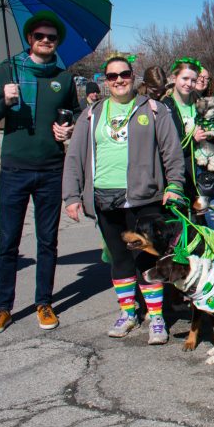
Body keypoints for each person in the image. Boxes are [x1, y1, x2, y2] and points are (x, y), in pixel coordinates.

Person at [62, 56, 186, 344]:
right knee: (119, 258)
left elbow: (172, 151)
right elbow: (75, 157)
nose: (119, 80)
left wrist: (175, 184)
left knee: (146, 258)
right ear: (106, 81)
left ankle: (156, 317)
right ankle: (128, 313)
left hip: (144, 198)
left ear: (133, 76)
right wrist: (71, 195)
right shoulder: (92, 113)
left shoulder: (153, 109)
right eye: (112, 76)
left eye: (124, 74)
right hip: (105, 198)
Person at [0, 11, 80, 335]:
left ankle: (44, 303)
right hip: (15, 168)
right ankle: (2, 308)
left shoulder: (63, 77)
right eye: (40, 36)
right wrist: (5, 101)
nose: (46, 41)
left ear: (57, 42)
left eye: (51, 37)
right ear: (30, 39)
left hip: (51, 169)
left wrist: (70, 129)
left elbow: (75, 113)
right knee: (8, 241)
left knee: (47, 241)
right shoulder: (7, 70)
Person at [162, 57, 214, 231]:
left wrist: (211, 135)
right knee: (186, 226)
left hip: (202, 175)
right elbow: (164, 147)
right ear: (174, 78)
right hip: (178, 175)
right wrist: (192, 139)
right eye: (184, 79)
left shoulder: (201, 103)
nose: (189, 84)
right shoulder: (164, 107)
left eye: (193, 80)